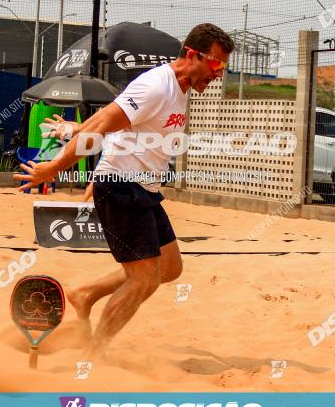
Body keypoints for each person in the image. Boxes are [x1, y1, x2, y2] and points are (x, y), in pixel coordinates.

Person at [14, 23, 235, 358]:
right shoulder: (156, 86)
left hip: (142, 188)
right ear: (193, 55)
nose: (219, 74)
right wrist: (55, 167)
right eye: (217, 64)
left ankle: (85, 295)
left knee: (170, 267)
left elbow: (115, 122)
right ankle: (93, 354)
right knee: (143, 280)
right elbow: (102, 126)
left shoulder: (179, 87)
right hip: (121, 186)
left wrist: (73, 128)